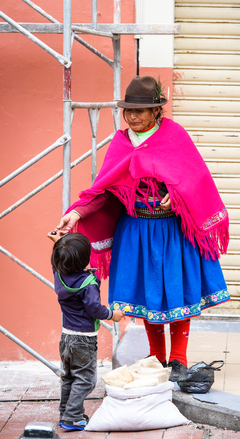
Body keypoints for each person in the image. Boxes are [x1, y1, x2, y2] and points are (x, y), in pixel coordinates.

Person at [52, 75, 230, 382]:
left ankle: (179, 358)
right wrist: (76, 213)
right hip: (136, 232)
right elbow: (104, 191)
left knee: (177, 291)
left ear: (157, 111)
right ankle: (157, 356)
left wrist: (175, 201)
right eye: (128, 111)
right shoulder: (121, 143)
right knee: (149, 295)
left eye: (141, 111)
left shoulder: (175, 136)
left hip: (173, 232)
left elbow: (195, 180)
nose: (133, 116)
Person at [48, 231, 124, 431]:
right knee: (86, 380)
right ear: (84, 259)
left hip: (66, 337)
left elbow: (57, 261)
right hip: (83, 340)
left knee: (69, 377)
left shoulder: (59, 274)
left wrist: (58, 245)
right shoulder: (88, 284)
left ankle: (66, 412)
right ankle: (72, 417)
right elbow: (94, 309)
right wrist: (112, 314)